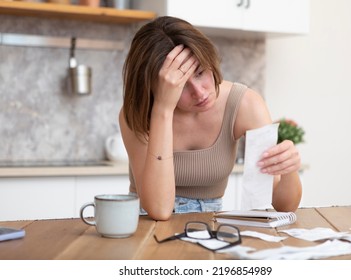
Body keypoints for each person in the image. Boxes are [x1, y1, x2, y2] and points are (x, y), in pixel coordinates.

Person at [119, 16, 302, 221]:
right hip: (145, 226)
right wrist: (163, 109)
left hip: (208, 225)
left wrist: (289, 169)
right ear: (154, 87)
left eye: (199, 72)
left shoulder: (246, 104)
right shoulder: (137, 112)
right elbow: (159, 210)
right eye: (179, 85)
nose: (199, 92)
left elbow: (284, 206)